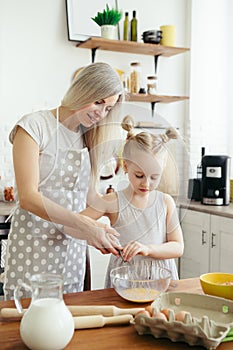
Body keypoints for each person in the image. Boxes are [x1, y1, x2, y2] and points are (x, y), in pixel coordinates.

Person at [3, 62, 124, 300]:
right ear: (83, 89)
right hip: (33, 245)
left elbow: (89, 199)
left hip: (71, 250)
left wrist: (104, 223)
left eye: (108, 108)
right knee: (25, 319)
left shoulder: (88, 139)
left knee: (65, 318)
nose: (101, 113)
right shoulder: (34, 126)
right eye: (99, 102)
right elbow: (28, 197)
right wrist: (85, 225)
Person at [79, 115, 184, 287]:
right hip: (125, 279)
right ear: (126, 166)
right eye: (139, 175)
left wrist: (148, 249)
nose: (146, 183)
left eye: (154, 177)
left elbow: (178, 247)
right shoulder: (112, 201)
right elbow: (74, 223)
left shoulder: (165, 202)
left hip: (162, 279)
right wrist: (99, 233)